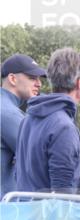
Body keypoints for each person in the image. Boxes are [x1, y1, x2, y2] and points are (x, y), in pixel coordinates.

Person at [15, 48, 80, 192]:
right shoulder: (64, 127)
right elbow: (62, 193)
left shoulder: (28, 118)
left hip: (24, 205)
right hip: (47, 207)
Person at [1, 54, 46, 196]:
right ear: (13, 79)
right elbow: (39, 157)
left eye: (39, 79)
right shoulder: (8, 113)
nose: (39, 84)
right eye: (32, 78)